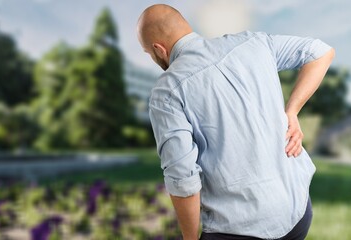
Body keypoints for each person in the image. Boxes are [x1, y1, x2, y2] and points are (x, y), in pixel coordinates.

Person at [137, 4, 335, 240]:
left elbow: (183, 180)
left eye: (149, 53)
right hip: (297, 213)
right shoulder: (252, 42)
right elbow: (320, 51)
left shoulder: (167, 92)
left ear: (159, 49)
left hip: (238, 230)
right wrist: (292, 110)